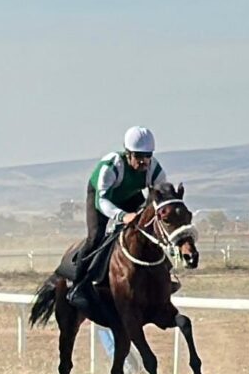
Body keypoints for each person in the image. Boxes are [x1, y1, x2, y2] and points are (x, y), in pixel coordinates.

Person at [61, 126, 169, 314]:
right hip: (102, 197)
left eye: (147, 155)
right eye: (138, 156)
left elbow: (160, 198)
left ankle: (164, 275)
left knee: (148, 232)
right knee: (95, 237)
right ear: (128, 153)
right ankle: (78, 286)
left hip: (130, 196)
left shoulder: (155, 169)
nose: (143, 161)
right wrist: (122, 216)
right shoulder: (111, 166)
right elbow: (102, 201)